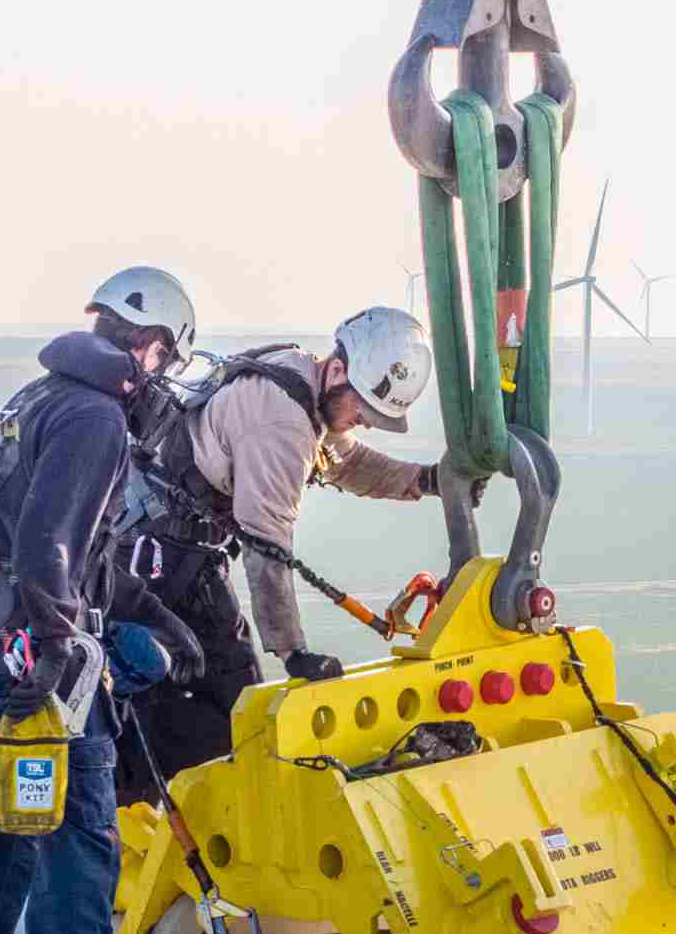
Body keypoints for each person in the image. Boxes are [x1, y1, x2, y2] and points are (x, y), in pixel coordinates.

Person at [0, 267, 202, 934]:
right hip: (45, 669)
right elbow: (51, 544)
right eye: (166, 360)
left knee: (3, 836)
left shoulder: (32, 401)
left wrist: (148, 613)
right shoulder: (94, 418)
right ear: (150, 348)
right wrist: (58, 648)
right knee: (82, 833)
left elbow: (51, 549)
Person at [111, 304, 473, 805]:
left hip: (183, 552)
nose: (364, 422)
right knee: (166, 691)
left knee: (235, 699)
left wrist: (425, 481)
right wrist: (292, 650)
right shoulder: (281, 422)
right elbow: (266, 540)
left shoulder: (302, 379)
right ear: (340, 371)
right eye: (363, 410)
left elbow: (345, 461)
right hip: (159, 560)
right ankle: (131, 818)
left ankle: (186, 803)